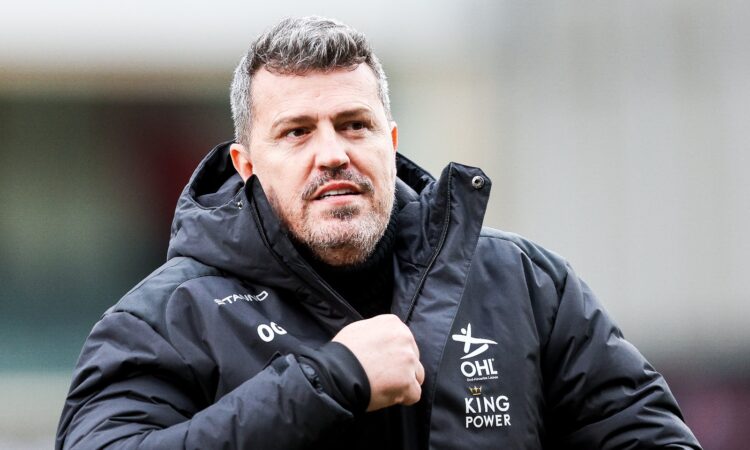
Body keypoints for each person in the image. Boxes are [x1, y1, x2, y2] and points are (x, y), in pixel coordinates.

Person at [56, 16, 701, 449]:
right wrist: (330, 381)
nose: (333, 153)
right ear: (245, 164)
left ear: (390, 141)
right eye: (297, 132)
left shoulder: (525, 286)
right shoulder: (166, 320)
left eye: (354, 125)